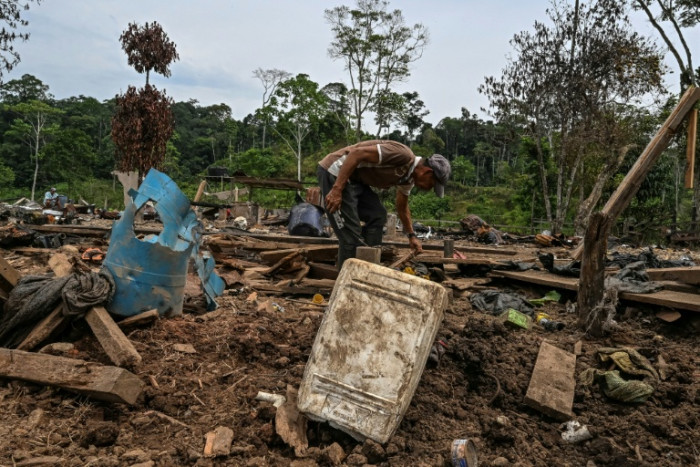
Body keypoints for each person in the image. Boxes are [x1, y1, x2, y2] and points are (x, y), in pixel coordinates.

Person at [317, 139, 451, 269]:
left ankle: (368, 264)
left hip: (355, 180)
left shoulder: (408, 179)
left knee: (378, 215)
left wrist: (412, 236)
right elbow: (356, 153)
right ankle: (347, 277)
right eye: (431, 184)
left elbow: (402, 207)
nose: (428, 189)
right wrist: (337, 189)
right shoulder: (403, 155)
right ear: (427, 172)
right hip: (335, 172)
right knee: (350, 237)